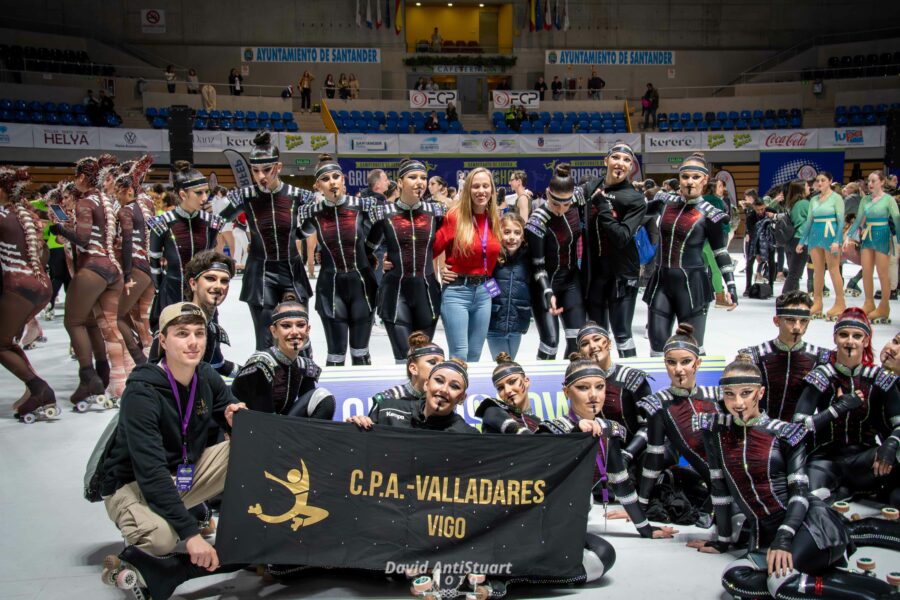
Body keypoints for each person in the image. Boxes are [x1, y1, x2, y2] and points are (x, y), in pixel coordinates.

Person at [699, 355, 896, 600]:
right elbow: (719, 488)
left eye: (746, 393)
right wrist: (723, 539)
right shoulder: (714, 430)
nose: (738, 402)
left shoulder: (785, 434)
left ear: (760, 393)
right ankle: (831, 576)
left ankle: (882, 594)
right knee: (735, 579)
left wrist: (784, 538)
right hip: (766, 533)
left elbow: (800, 495)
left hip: (809, 525)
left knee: (781, 586)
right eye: (730, 394)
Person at [98, 302, 247, 600]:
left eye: (199, 333)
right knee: (163, 539)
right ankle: (136, 549)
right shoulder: (142, 392)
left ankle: (250, 533)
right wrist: (190, 535)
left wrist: (237, 422)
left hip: (179, 474)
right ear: (163, 341)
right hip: (132, 485)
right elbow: (150, 473)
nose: (193, 342)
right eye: (182, 334)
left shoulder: (206, 376)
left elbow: (233, 422)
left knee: (247, 448)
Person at [217, 131, 315, 351]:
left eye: (266, 170)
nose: (261, 175)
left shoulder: (298, 195)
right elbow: (216, 222)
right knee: (265, 339)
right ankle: (267, 382)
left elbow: (313, 223)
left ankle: (304, 380)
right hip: (260, 272)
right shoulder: (244, 196)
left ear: (278, 167)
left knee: (299, 336)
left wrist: (297, 235)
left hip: (292, 269)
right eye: (255, 170)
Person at [793, 308, 900, 504]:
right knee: (808, 500)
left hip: (865, 458)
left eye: (856, 336)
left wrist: (892, 443)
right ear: (835, 338)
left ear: (865, 341)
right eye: (844, 335)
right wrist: (836, 410)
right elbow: (797, 427)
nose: (850, 341)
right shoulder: (821, 376)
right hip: (825, 459)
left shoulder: (880, 378)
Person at [50, 156, 128, 406]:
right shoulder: (106, 200)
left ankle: (88, 377)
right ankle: (103, 371)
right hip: (112, 269)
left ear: (82, 178)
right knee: (94, 323)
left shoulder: (85, 201)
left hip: (92, 267)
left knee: (73, 322)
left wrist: (59, 229)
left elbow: (83, 239)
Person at [643, 153, 737, 355]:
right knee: (657, 346)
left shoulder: (712, 214)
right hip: (660, 283)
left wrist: (731, 284)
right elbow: (634, 212)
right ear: (680, 179)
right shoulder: (663, 202)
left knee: (691, 349)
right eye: (685, 177)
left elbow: (720, 252)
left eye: (695, 177)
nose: (689, 182)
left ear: (704, 180)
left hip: (692, 287)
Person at [295, 154, 377, 366]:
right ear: (317, 186)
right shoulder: (313, 213)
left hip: (363, 287)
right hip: (330, 289)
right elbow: (293, 236)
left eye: (336, 176)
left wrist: (376, 255)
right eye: (326, 179)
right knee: (335, 356)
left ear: (343, 179)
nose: (332, 182)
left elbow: (384, 234)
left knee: (361, 354)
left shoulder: (363, 206)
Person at [637, 324, 723, 521]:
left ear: (698, 363)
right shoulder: (658, 403)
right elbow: (654, 459)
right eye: (671, 362)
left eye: (686, 362)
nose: (679, 370)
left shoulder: (719, 397)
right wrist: (639, 506)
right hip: (718, 490)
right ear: (665, 364)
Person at [366, 159, 445, 361]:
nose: (419, 182)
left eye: (423, 177)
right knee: (404, 359)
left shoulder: (436, 212)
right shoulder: (383, 213)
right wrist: (378, 263)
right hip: (395, 294)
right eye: (412, 177)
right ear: (400, 182)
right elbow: (366, 249)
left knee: (424, 359)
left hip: (427, 294)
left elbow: (451, 242)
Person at [0, 166, 57, 422]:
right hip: (40, 285)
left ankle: (39, 388)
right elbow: (42, 253)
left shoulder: (3, 215)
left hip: (17, 285)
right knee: (8, 341)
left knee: (0, 344)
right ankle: (33, 390)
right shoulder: (26, 214)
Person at [581, 143, 647, 358]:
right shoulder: (591, 187)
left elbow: (621, 237)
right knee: (596, 335)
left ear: (630, 167)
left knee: (621, 333)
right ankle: (599, 382)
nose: (620, 163)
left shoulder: (635, 198)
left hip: (622, 276)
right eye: (616, 157)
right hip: (596, 274)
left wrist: (602, 207)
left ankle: (632, 384)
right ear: (606, 160)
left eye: (627, 160)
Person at [434, 167, 501, 362]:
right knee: (460, 355)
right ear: (468, 190)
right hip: (457, 292)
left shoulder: (494, 218)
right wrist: (439, 270)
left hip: (484, 291)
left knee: (475, 355)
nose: (481, 191)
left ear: (492, 190)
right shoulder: (454, 217)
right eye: (476, 186)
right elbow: (430, 249)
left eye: (485, 186)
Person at [148, 162, 224, 332]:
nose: (205, 197)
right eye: (199, 193)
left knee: (207, 343)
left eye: (206, 192)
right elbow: (153, 261)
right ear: (183, 194)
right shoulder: (162, 223)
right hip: (171, 292)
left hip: (203, 295)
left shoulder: (211, 223)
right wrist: (160, 289)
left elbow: (211, 259)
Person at [232, 302, 335, 419]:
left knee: (323, 398)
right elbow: (264, 416)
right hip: (252, 427)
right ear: (274, 331)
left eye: (300, 325)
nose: (295, 332)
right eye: (286, 326)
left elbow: (309, 409)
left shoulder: (306, 366)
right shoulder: (261, 364)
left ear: (308, 329)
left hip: (280, 427)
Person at [739, 291, 829, 422]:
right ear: (777, 321)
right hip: (761, 433)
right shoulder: (754, 356)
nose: (797, 327)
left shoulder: (821, 358)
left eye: (803, 321)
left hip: (802, 435)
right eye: (791, 320)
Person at [526, 163, 586, 359]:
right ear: (547, 193)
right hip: (545, 283)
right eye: (555, 204)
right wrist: (547, 291)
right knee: (550, 343)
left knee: (578, 341)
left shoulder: (578, 199)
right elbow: (538, 265)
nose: (561, 210)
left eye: (566, 204)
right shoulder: (538, 220)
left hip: (570, 280)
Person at [576, 322, 652, 464]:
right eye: (585, 343)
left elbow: (650, 425)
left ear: (609, 344)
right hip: (604, 456)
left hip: (640, 454)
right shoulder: (578, 385)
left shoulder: (631, 378)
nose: (593, 346)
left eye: (597, 339)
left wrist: (627, 454)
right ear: (580, 353)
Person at [348, 359, 476, 433]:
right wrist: (353, 430)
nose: (444, 390)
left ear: (461, 398)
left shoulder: (467, 435)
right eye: (439, 380)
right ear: (426, 385)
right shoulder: (386, 410)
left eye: (454, 386)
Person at [114, 156, 156, 368]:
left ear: (129, 190)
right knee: (136, 314)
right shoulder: (144, 205)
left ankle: (139, 360)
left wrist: (127, 273)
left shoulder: (125, 210)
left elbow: (128, 241)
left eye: (117, 191)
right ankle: (142, 348)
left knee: (116, 315)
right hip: (148, 265)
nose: (115, 195)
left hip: (137, 267)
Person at [846, 170, 900, 323]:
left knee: (883, 274)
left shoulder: (888, 200)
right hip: (867, 236)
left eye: (873, 181)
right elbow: (858, 221)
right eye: (868, 181)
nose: (870, 184)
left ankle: (884, 306)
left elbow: (897, 220)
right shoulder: (865, 200)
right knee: (867, 271)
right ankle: (869, 303)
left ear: (882, 182)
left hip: (882, 235)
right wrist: (848, 237)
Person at [796, 171, 845, 320]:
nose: (820, 183)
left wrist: (837, 240)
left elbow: (841, 221)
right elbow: (809, 221)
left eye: (823, 180)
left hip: (830, 235)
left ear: (830, 181)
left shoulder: (837, 198)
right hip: (815, 236)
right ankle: (817, 302)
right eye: (818, 181)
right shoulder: (814, 200)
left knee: (833, 269)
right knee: (817, 271)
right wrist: (801, 241)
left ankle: (840, 302)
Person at [485, 213, 531, 359]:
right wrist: (498, 301)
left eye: (517, 233)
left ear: (523, 237)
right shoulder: (494, 257)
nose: (512, 237)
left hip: (518, 323)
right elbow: (487, 281)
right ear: (499, 233)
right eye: (507, 232)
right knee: (503, 366)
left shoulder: (528, 259)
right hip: (495, 323)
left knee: (510, 364)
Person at [368, 331, 445, 407]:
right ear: (413, 369)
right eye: (432, 362)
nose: (440, 367)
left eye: (443, 363)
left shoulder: (445, 398)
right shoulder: (389, 398)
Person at [782, 179, 811, 293]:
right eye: (807, 186)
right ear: (802, 189)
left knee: (793, 273)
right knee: (795, 274)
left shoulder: (791, 203)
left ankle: (791, 297)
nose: (809, 188)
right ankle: (784, 298)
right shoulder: (804, 203)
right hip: (800, 240)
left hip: (791, 240)